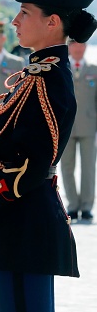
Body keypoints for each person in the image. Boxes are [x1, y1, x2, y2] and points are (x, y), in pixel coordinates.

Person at [0, 0, 97, 312]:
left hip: (25, 217)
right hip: (15, 219)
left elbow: (32, 162)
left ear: (52, 22)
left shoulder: (50, 78)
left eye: (24, 12)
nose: (15, 21)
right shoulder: (37, 73)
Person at [61, 39, 97, 222]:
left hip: (88, 125)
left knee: (88, 167)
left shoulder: (93, 69)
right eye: (75, 44)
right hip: (66, 126)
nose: (79, 48)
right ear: (70, 46)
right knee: (67, 167)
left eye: (82, 44)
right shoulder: (62, 68)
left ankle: (87, 206)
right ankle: (73, 205)